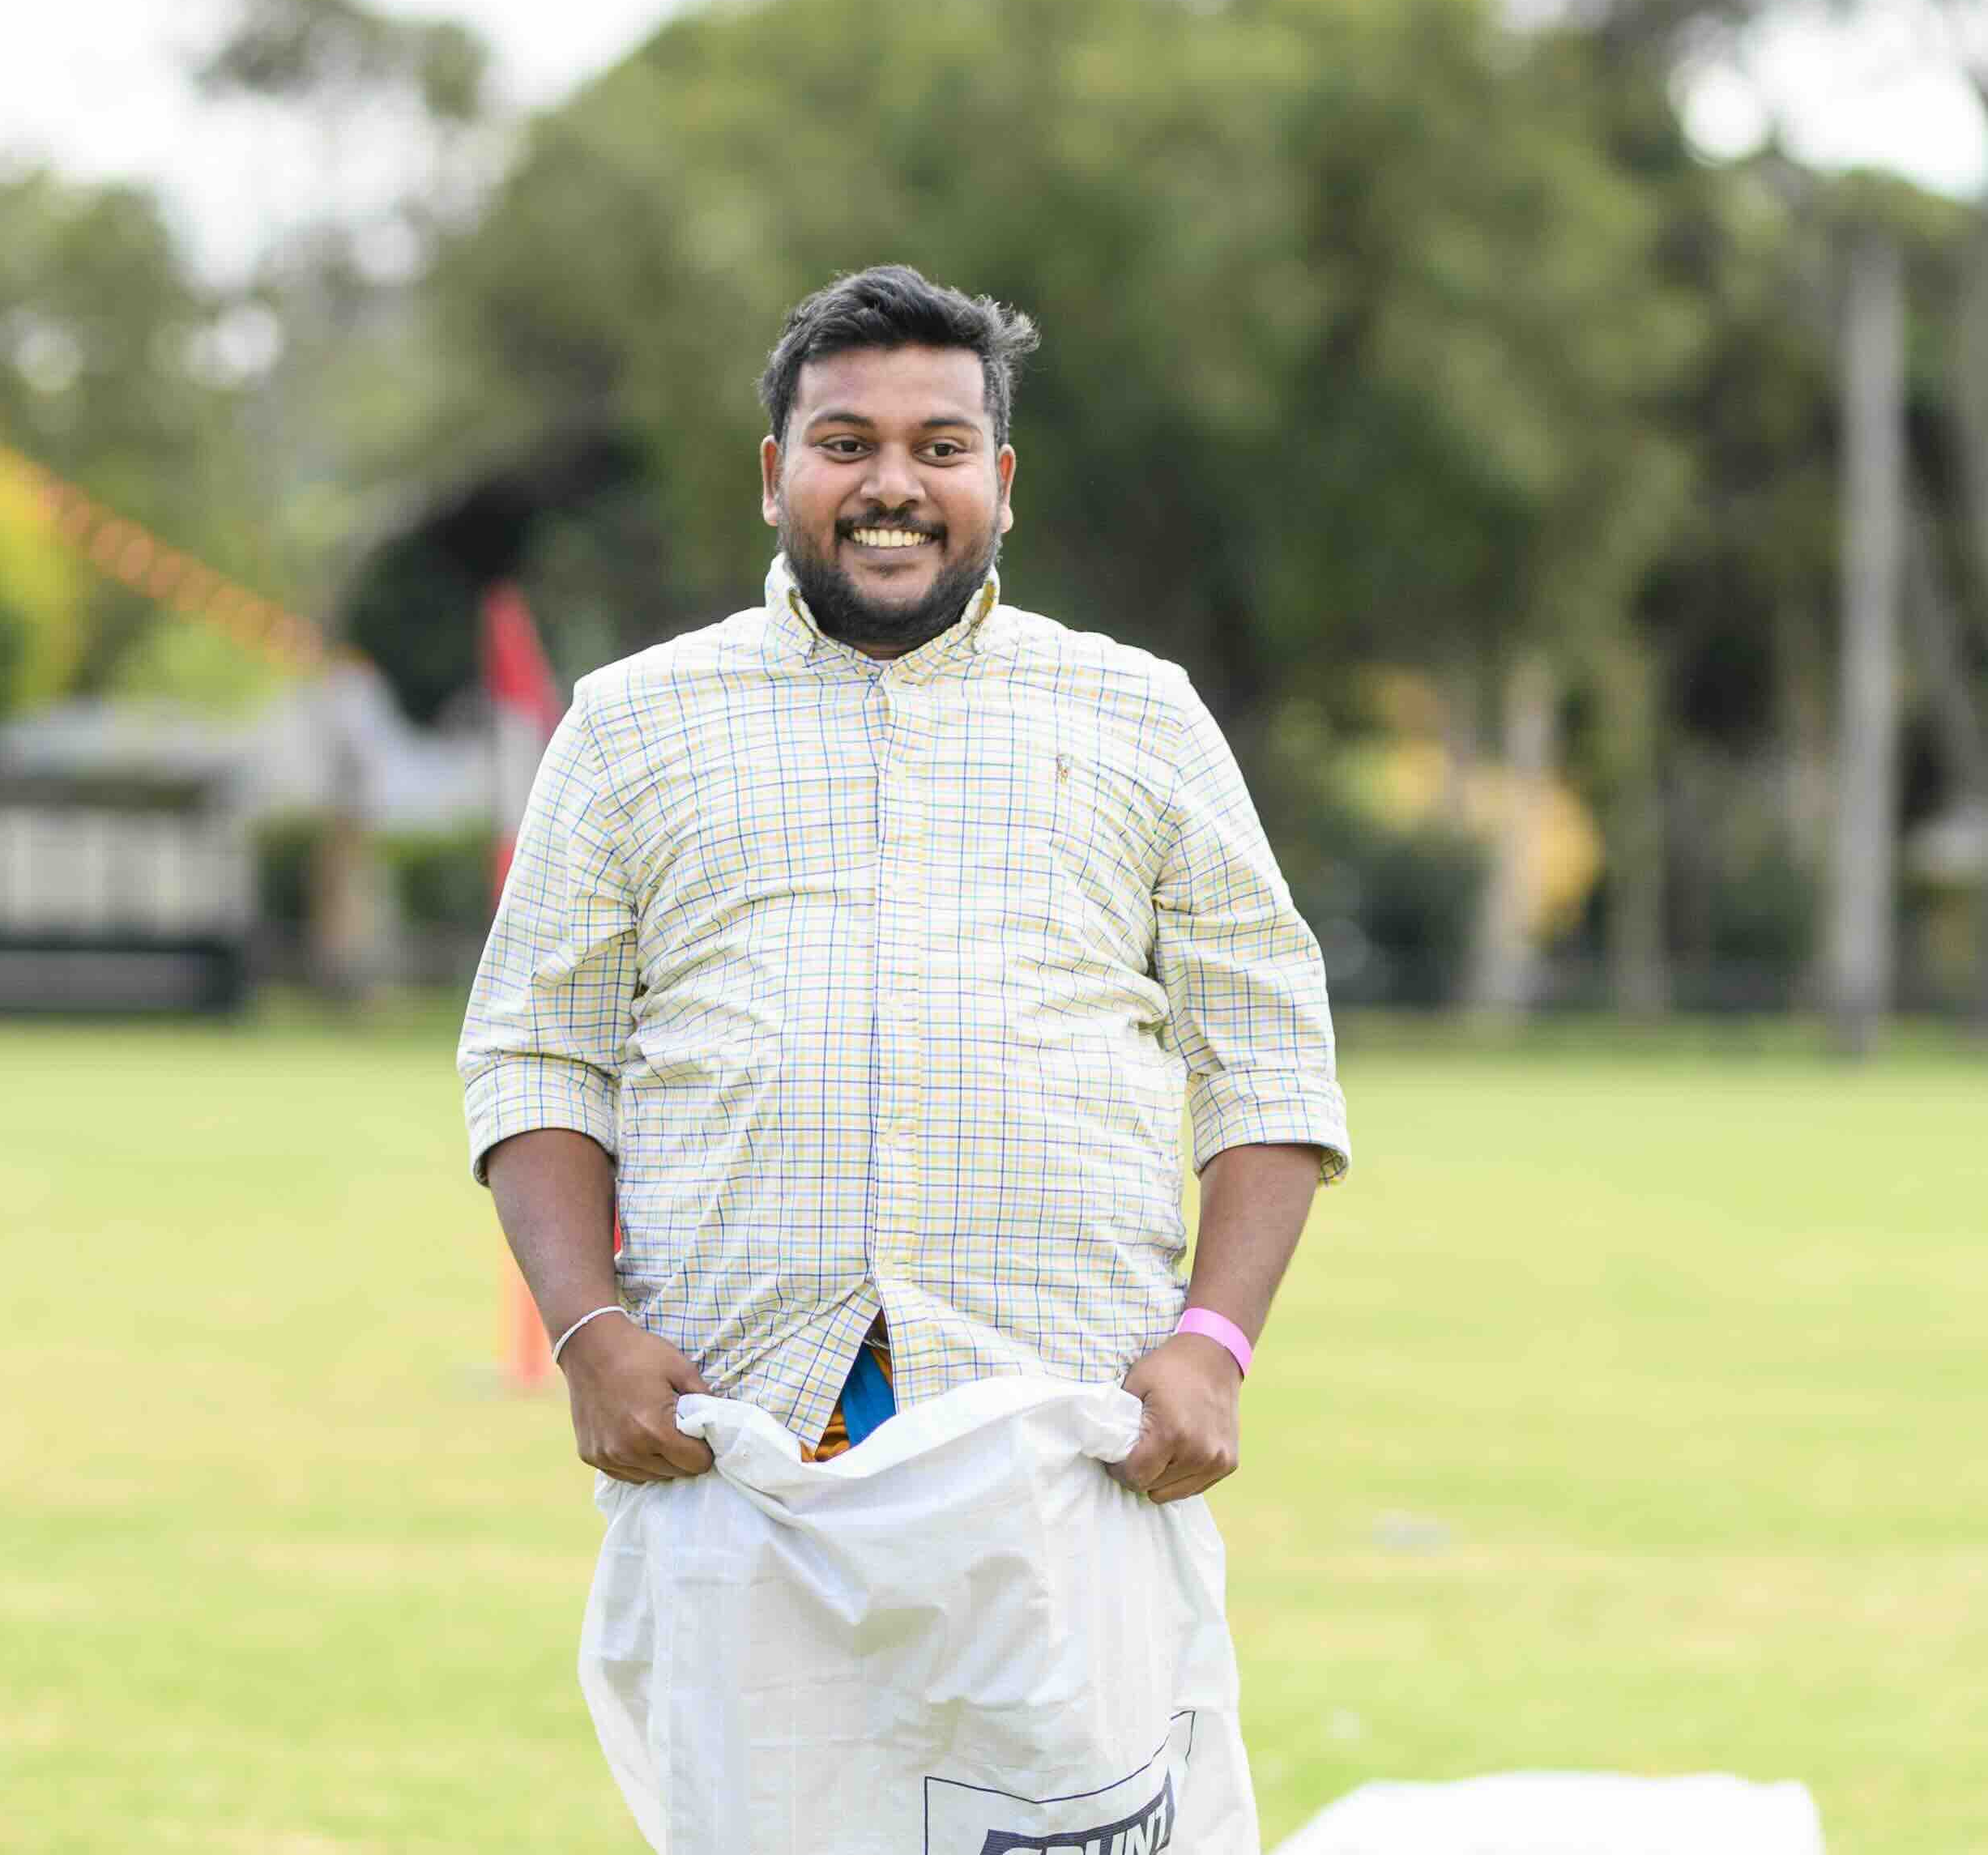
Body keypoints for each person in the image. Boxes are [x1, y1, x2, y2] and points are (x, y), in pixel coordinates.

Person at [459, 264, 1346, 1490]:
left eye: (941, 446)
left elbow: (1266, 1054)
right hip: (731, 1435)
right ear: (775, 477)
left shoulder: (1142, 716)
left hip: (1071, 1431)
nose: (893, 486)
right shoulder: (629, 726)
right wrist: (587, 1332)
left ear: (1001, 481)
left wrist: (1214, 1344)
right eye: (845, 443)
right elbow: (538, 1049)